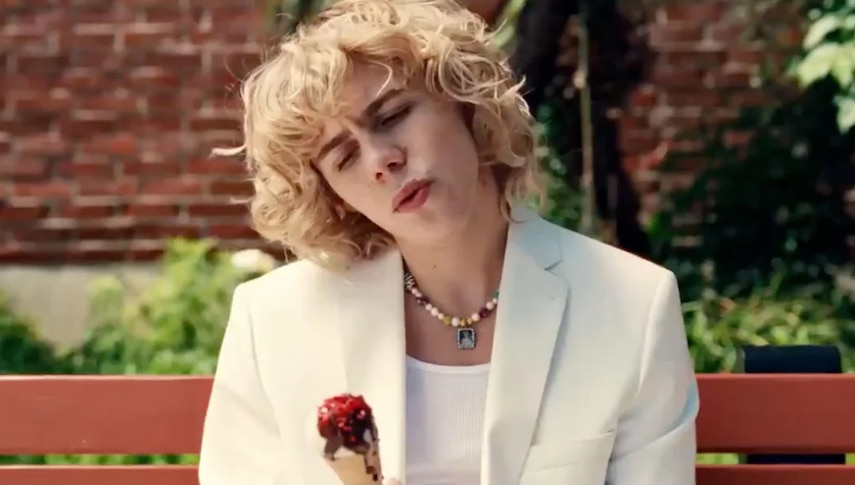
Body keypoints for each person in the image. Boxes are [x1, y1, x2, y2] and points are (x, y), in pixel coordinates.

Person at [197, 0, 699, 484]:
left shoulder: (634, 305)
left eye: (391, 116)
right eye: (344, 157)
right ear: (334, 196)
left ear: (464, 102)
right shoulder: (272, 322)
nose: (381, 159)